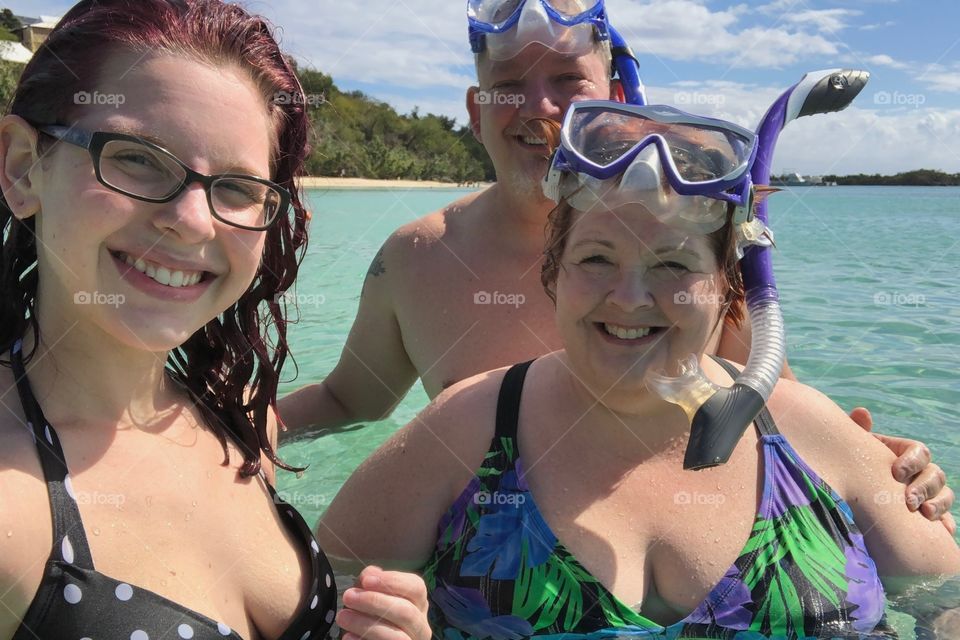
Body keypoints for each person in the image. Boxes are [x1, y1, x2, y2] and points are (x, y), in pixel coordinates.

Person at [277, 0, 955, 531]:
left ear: (617, 100)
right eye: (509, 85)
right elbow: (348, 401)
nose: (540, 108)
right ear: (477, 110)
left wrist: (879, 468)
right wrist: (221, 428)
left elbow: (774, 412)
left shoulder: (696, 254)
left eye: (568, 81)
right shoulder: (415, 258)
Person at [316, 100, 960, 638]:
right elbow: (307, 598)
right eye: (596, 258)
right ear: (554, 274)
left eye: (674, 265)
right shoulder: (464, 430)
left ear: (726, 286)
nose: (629, 298)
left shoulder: (809, 433)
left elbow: (943, 604)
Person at [0, 1, 429, 639]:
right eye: (138, 157)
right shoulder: (14, 508)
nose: (194, 220)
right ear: (22, 166)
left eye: (236, 186)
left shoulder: (239, 415)